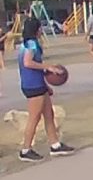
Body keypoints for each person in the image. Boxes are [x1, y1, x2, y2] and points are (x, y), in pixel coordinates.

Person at [17, 16, 75, 162]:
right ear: (37, 29)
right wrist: (48, 67)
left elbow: (32, 66)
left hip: (37, 83)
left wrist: (46, 85)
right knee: (34, 118)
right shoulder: (31, 44)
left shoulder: (27, 44)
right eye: (40, 27)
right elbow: (28, 63)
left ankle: (55, 145)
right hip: (32, 85)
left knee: (49, 115)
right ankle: (25, 149)